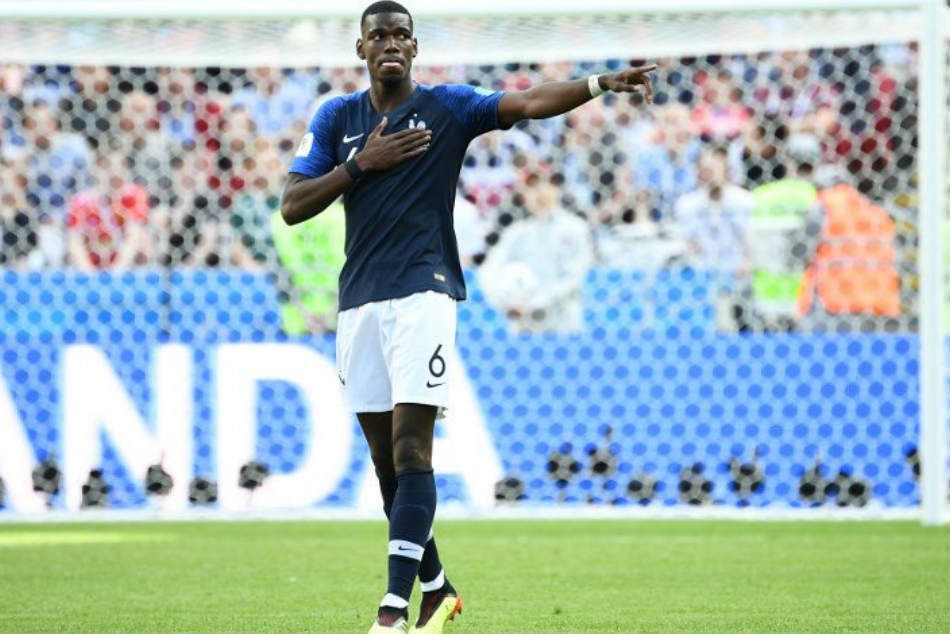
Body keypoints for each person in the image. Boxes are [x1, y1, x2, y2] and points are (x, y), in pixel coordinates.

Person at [280, 3, 654, 632]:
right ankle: (436, 590)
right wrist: (359, 164)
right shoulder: (335, 118)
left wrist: (597, 84)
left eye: (401, 34)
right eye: (379, 35)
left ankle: (393, 610)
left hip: (423, 294)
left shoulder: (448, 107)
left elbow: (526, 102)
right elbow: (292, 205)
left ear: (415, 46)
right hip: (358, 300)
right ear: (360, 48)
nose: (391, 43)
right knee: (384, 463)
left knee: (411, 448)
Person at [479, 171, 594, 333]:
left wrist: (533, 302)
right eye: (531, 187)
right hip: (525, 326)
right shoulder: (517, 232)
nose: (539, 192)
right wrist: (507, 301)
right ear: (523, 195)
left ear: (556, 189)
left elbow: (575, 275)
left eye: (545, 184)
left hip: (563, 325)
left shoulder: (575, 229)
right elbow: (489, 270)